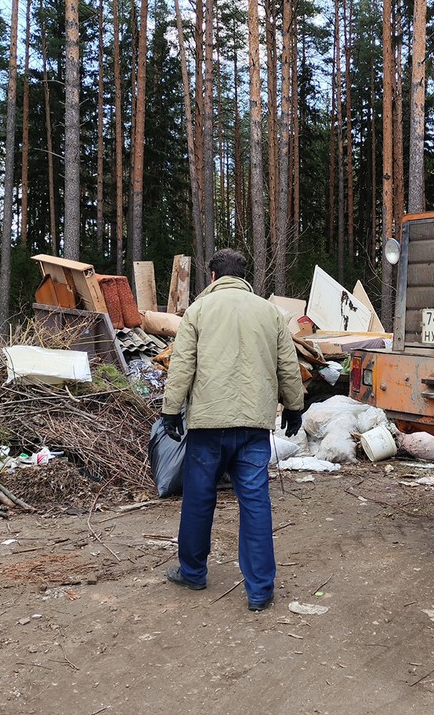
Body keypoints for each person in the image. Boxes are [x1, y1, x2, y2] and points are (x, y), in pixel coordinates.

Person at [160, 248, 305, 612]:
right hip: (254, 426)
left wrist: (171, 411)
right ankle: (260, 590)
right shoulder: (270, 312)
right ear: (244, 278)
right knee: (255, 502)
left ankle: (193, 572)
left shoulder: (198, 311)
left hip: (208, 424)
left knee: (198, 498)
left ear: (212, 277)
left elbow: (182, 366)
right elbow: (288, 363)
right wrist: (295, 406)